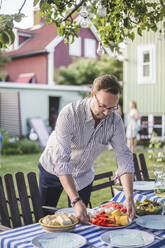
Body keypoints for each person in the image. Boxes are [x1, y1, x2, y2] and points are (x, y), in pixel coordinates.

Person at [38, 74, 135, 224]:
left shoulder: (115, 120)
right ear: (92, 95)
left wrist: (129, 196)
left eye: (112, 107)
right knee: (45, 219)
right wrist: (75, 200)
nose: (107, 113)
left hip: (83, 175)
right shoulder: (70, 114)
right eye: (103, 106)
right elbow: (62, 161)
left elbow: (124, 156)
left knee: (84, 221)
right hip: (52, 169)